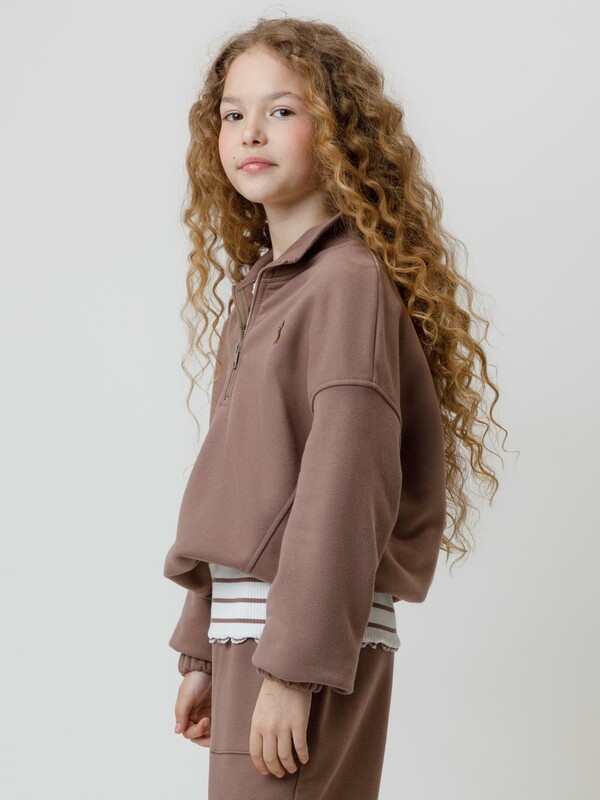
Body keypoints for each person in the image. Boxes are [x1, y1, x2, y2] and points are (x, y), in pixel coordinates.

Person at [162, 15, 508, 800]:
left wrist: (294, 671)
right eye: (233, 113)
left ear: (340, 130)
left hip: (298, 646)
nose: (251, 132)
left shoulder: (347, 284)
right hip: (255, 638)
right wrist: (201, 648)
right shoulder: (264, 292)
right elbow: (234, 487)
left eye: (282, 109)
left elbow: (344, 488)